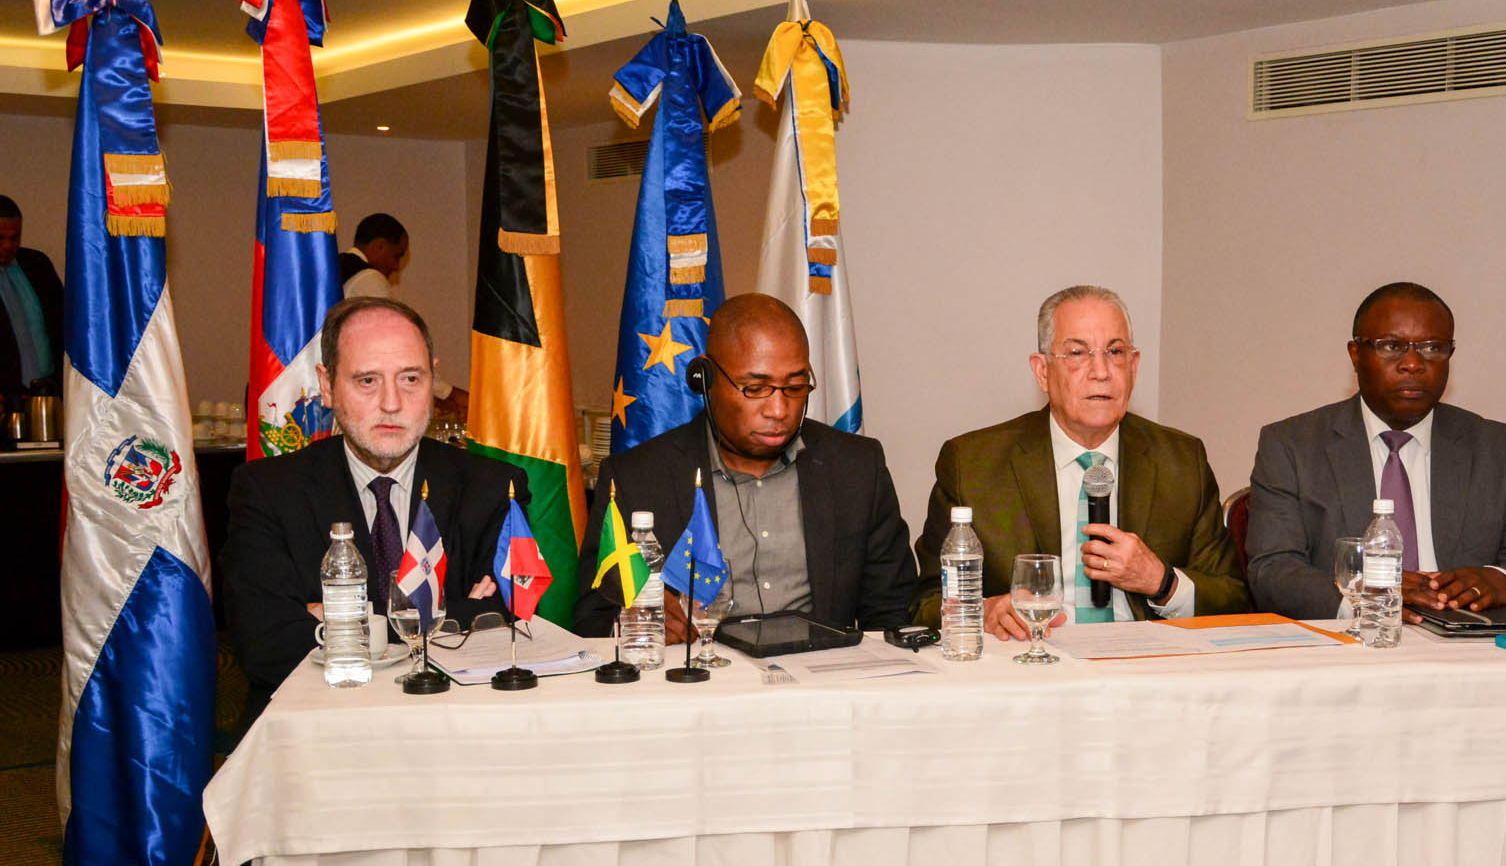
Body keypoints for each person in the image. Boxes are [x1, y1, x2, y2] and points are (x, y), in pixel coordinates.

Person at [223, 296, 523, 719]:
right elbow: (265, 643)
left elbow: (510, 621)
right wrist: (449, 614)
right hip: (318, 731)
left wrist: (339, 625)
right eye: (367, 381)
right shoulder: (268, 490)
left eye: (410, 379)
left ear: (433, 379)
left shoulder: (493, 486)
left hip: (458, 724)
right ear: (327, 386)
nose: (391, 404)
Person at [573, 293, 916, 638]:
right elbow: (593, 618)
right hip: (698, 682)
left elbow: (892, 611)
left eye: (795, 387)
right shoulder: (637, 478)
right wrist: (640, 623)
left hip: (824, 682)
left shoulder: (857, 467)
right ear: (705, 378)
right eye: (755, 389)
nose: (779, 410)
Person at [914, 284, 1247, 637]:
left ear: (1133, 366)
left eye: (1115, 352)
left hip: (1144, 665)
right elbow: (923, 603)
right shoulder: (973, 463)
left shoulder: (1181, 460)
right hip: (1029, 666)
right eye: (1077, 353)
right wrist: (984, 611)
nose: (1101, 371)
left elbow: (1234, 598)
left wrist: (1160, 581)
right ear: (1042, 371)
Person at [1248, 281, 1506, 619]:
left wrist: (1501, 582)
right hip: (1349, 646)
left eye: (1432, 347)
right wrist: (1360, 598)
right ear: (1355, 355)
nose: (1413, 363)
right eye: (1391, 346)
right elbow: (1272, 571)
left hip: (1469, 646)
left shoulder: (1497, 448)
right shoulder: (1292, 445)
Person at [0, 195, 64, 404]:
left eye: (15, 237)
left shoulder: (37, 264)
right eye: (0, 238)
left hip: (49, 396)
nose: (8, 246)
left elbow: (63, 324)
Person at [338, 213, 408, 298]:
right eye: (396, 256)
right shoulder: (369, 278)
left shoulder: (334, 268)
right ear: (379, 246)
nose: (395, 267)